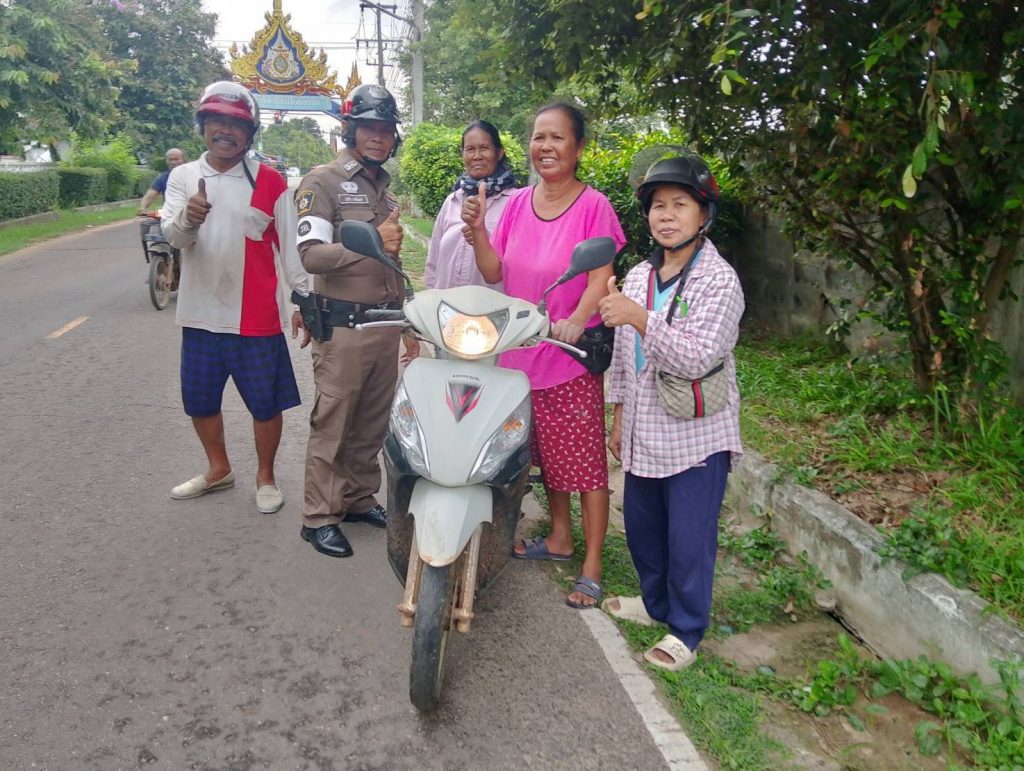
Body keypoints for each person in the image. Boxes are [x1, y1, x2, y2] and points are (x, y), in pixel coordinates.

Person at [462, 101, 625, 609]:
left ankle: (592, 565)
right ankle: (558, 537)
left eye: (557, 137)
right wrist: (478, 234)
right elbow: (495, 271)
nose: (545, 146)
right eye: (538, 137)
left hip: (568, 354)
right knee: (547, 455)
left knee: (584, 465)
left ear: (578, 147)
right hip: (520, 354)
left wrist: (577, 317)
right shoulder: (515, 203)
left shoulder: (594, 205)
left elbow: (600, 276)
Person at [598, 152, 744, 671]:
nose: (666, 216)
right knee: (643, 529)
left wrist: (640, 318)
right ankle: (655, 604)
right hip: (644, 427)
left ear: (703, 214)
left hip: (696, 435)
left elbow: (698, 357)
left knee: (688, 538)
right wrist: (619, 416)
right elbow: (623, 354)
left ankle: (686, 629)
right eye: (658, 206)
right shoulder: (640, 274)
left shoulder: (719, 281)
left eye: (680, 204)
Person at [161, 81, 312, 515]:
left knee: (266, 404)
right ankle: (219, 469)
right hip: (199, 315)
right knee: (200, 401)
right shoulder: (184, 177)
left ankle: (266, 477)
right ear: (203, 126)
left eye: (236, 124)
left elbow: (289, 245)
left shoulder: (269, 180)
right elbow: (173, 237)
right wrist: (188, 219)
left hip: (256, 317)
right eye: (216, 121)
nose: (225, 131)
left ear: (249, 133)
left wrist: (302, 300)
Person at [294, 83, 419, 559]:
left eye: (386, 128)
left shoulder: (384, 188)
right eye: (369, 127)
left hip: (383, 325)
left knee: (371, 422)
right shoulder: (322, 182)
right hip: (344, 328)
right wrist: (371, 236)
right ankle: (319, 516)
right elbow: (312, 256)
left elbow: (390, 261)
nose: (378, 136)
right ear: (350, 129)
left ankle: (358, 498)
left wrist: (406, 322)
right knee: (334, 423)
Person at [424, 120, 517, 290]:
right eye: (470, 149)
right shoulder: (452, 201)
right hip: (446, 304)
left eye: (484, 148)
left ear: (499, 153)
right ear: (462, 154)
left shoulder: (515, 203)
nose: (477, 156)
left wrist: (483, 237)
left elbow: (519, 266)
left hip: (491, 306)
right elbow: (433, 261)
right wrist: (432, 297)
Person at [139, 148, 186, 212]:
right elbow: (149, 196)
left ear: (184, 160)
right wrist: (143, 208)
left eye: (176, 159)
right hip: (170, 213)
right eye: (170, 160)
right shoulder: (163, 177)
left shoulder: (192, 174)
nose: (173, 162)